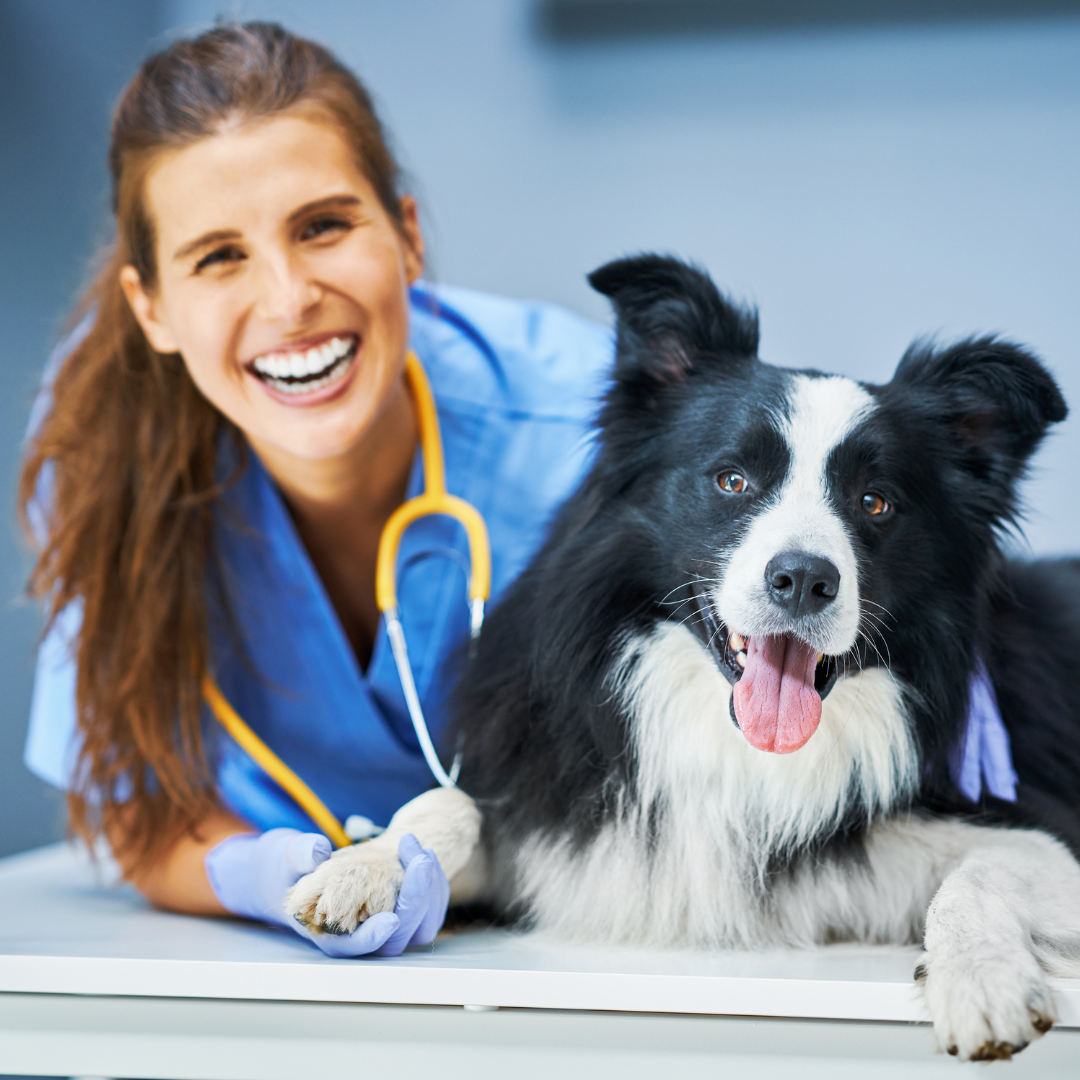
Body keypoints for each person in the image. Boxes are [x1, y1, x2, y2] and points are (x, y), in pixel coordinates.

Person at [19, 22, 611, 956]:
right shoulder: (98, 454)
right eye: (218, 256)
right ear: (151, 309)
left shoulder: (593, 437)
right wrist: (263, 883)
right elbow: (136, 812)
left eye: (323, 226)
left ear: (407, 238)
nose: (289, 298)